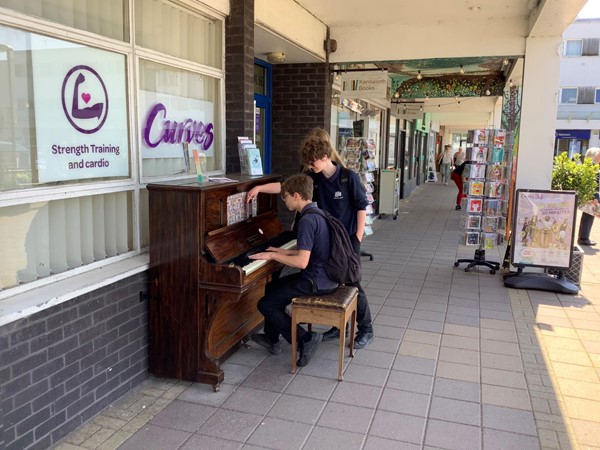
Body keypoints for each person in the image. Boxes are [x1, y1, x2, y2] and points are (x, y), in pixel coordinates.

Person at [247, 128, 375, 349]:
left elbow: (361, 207)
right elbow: (287, 186)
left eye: (312, 162)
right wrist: (259, 188)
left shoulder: (347, 177)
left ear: (325, 158)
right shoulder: (313, 179)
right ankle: (334, 327)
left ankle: (366, 329)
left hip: (346, 242)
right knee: (333, 281)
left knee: (353, 283)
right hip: (326, 242)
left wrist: (357, 238)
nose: (309, 166)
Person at [248, 174, 338, 367]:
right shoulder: (316, 213)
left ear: (296, 195)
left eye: (285, 196)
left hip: (315, 281)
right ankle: (272, 339)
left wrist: (272, 256)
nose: (284, 200)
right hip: (324, 277)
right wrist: (281, 251)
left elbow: (301, 262)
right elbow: (305, 250)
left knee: (266, 305)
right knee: (272, 287)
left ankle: (305, 339)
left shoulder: (306, 221)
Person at [578, 147, 600, 246]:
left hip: (590, 196)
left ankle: (584, 238)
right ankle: (583, 238)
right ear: (593, 155)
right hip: (591, 197)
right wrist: (595, 197)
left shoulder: (593, 166)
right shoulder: (592, 167)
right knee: (588, 216)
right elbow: (594, 183)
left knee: (588, 216)